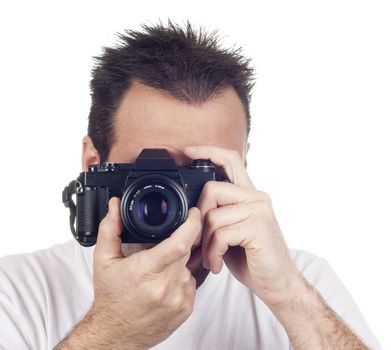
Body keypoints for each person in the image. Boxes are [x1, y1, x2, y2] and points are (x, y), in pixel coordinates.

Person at [0, 20, 381, 350]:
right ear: (92, 164)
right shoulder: (17, 293)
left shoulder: (302, 282)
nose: (169, 203)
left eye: (202, 171)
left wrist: (291, 298)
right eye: (145, 175)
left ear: (241, 168)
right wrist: (112, 333)